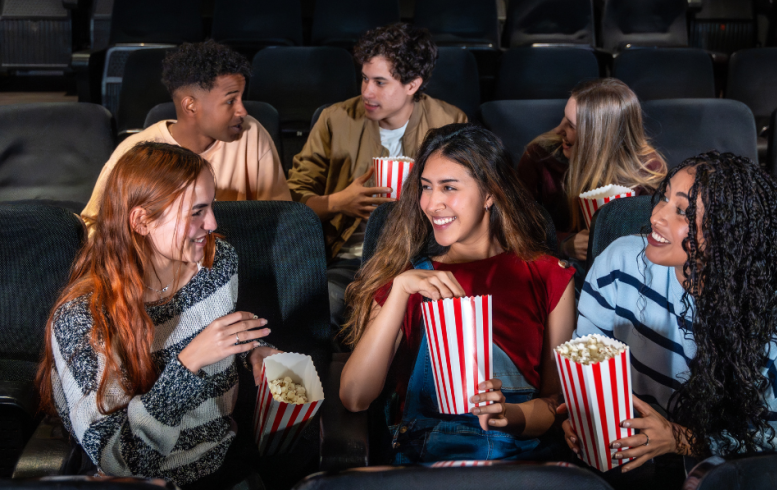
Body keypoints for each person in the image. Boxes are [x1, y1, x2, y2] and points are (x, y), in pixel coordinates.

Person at [564, 151, 777, 473]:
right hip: (626, 451)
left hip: (722, 468)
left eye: (682, 212)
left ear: (727, 234)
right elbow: (586, 365)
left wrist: (681, 439)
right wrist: (582, 415)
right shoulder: (619, 262)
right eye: (664, 198)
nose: (656, 217)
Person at [38, 142, 281, 488]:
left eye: (211, 206)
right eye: (196, 212)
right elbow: (119, 461)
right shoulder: (82, 318)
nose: (212, 223)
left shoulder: (217, 262)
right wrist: (189, 363)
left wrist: (250, 350)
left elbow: (210, 333)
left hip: (222, 459)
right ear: (141, 221)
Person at [340, 124, 576, 463]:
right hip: (427, 463)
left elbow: (554, 404)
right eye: (426, 187)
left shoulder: (549, 275)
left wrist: (507, 414)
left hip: (516, 464)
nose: (432, 203)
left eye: (449, 187)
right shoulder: (408, 279)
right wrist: (400, 291)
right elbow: (354, 397)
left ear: (490, 193)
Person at [286, 23, 467, 332]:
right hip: (349, 259)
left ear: (412, 85)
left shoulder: (449, 121)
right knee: (316, 312)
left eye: (380, 82)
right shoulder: (336, 119)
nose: (367, 91)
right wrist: (338, 202)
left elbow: (466, 198)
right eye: (365, 78)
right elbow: (292, 200)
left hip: (421, 255)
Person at [82, 40, 291, 223]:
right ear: (190, 106)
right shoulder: (133, 152)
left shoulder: (251, 133)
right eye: (230, 101)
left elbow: (280, 216)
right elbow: (94, 226)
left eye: (240, 99)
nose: (242, 111)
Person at [517, 79, 666, 263]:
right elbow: (516, 226)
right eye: (564, 118)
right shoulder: (540, 157)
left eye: (571, 126)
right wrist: (563, 244)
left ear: (600, 137)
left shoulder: (647, 170)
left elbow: (655, 237)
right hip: (554, 264)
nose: (558, 130)